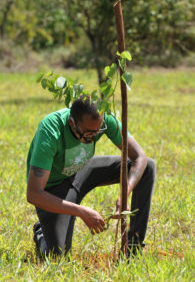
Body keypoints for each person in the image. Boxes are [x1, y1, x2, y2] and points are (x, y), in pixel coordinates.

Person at [26, 96, 156, 258]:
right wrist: (82, 212)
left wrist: (125, 192)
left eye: (98, 131)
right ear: (72, 123)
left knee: (148, 167)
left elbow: (140, 157)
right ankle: (41, 233)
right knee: (57, 257)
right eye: (88, 132)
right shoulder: (51, 130)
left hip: (81, 170)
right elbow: (34, 194)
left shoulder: (105, 119)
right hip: (53, 187)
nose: (94, 137)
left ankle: (134, 248)